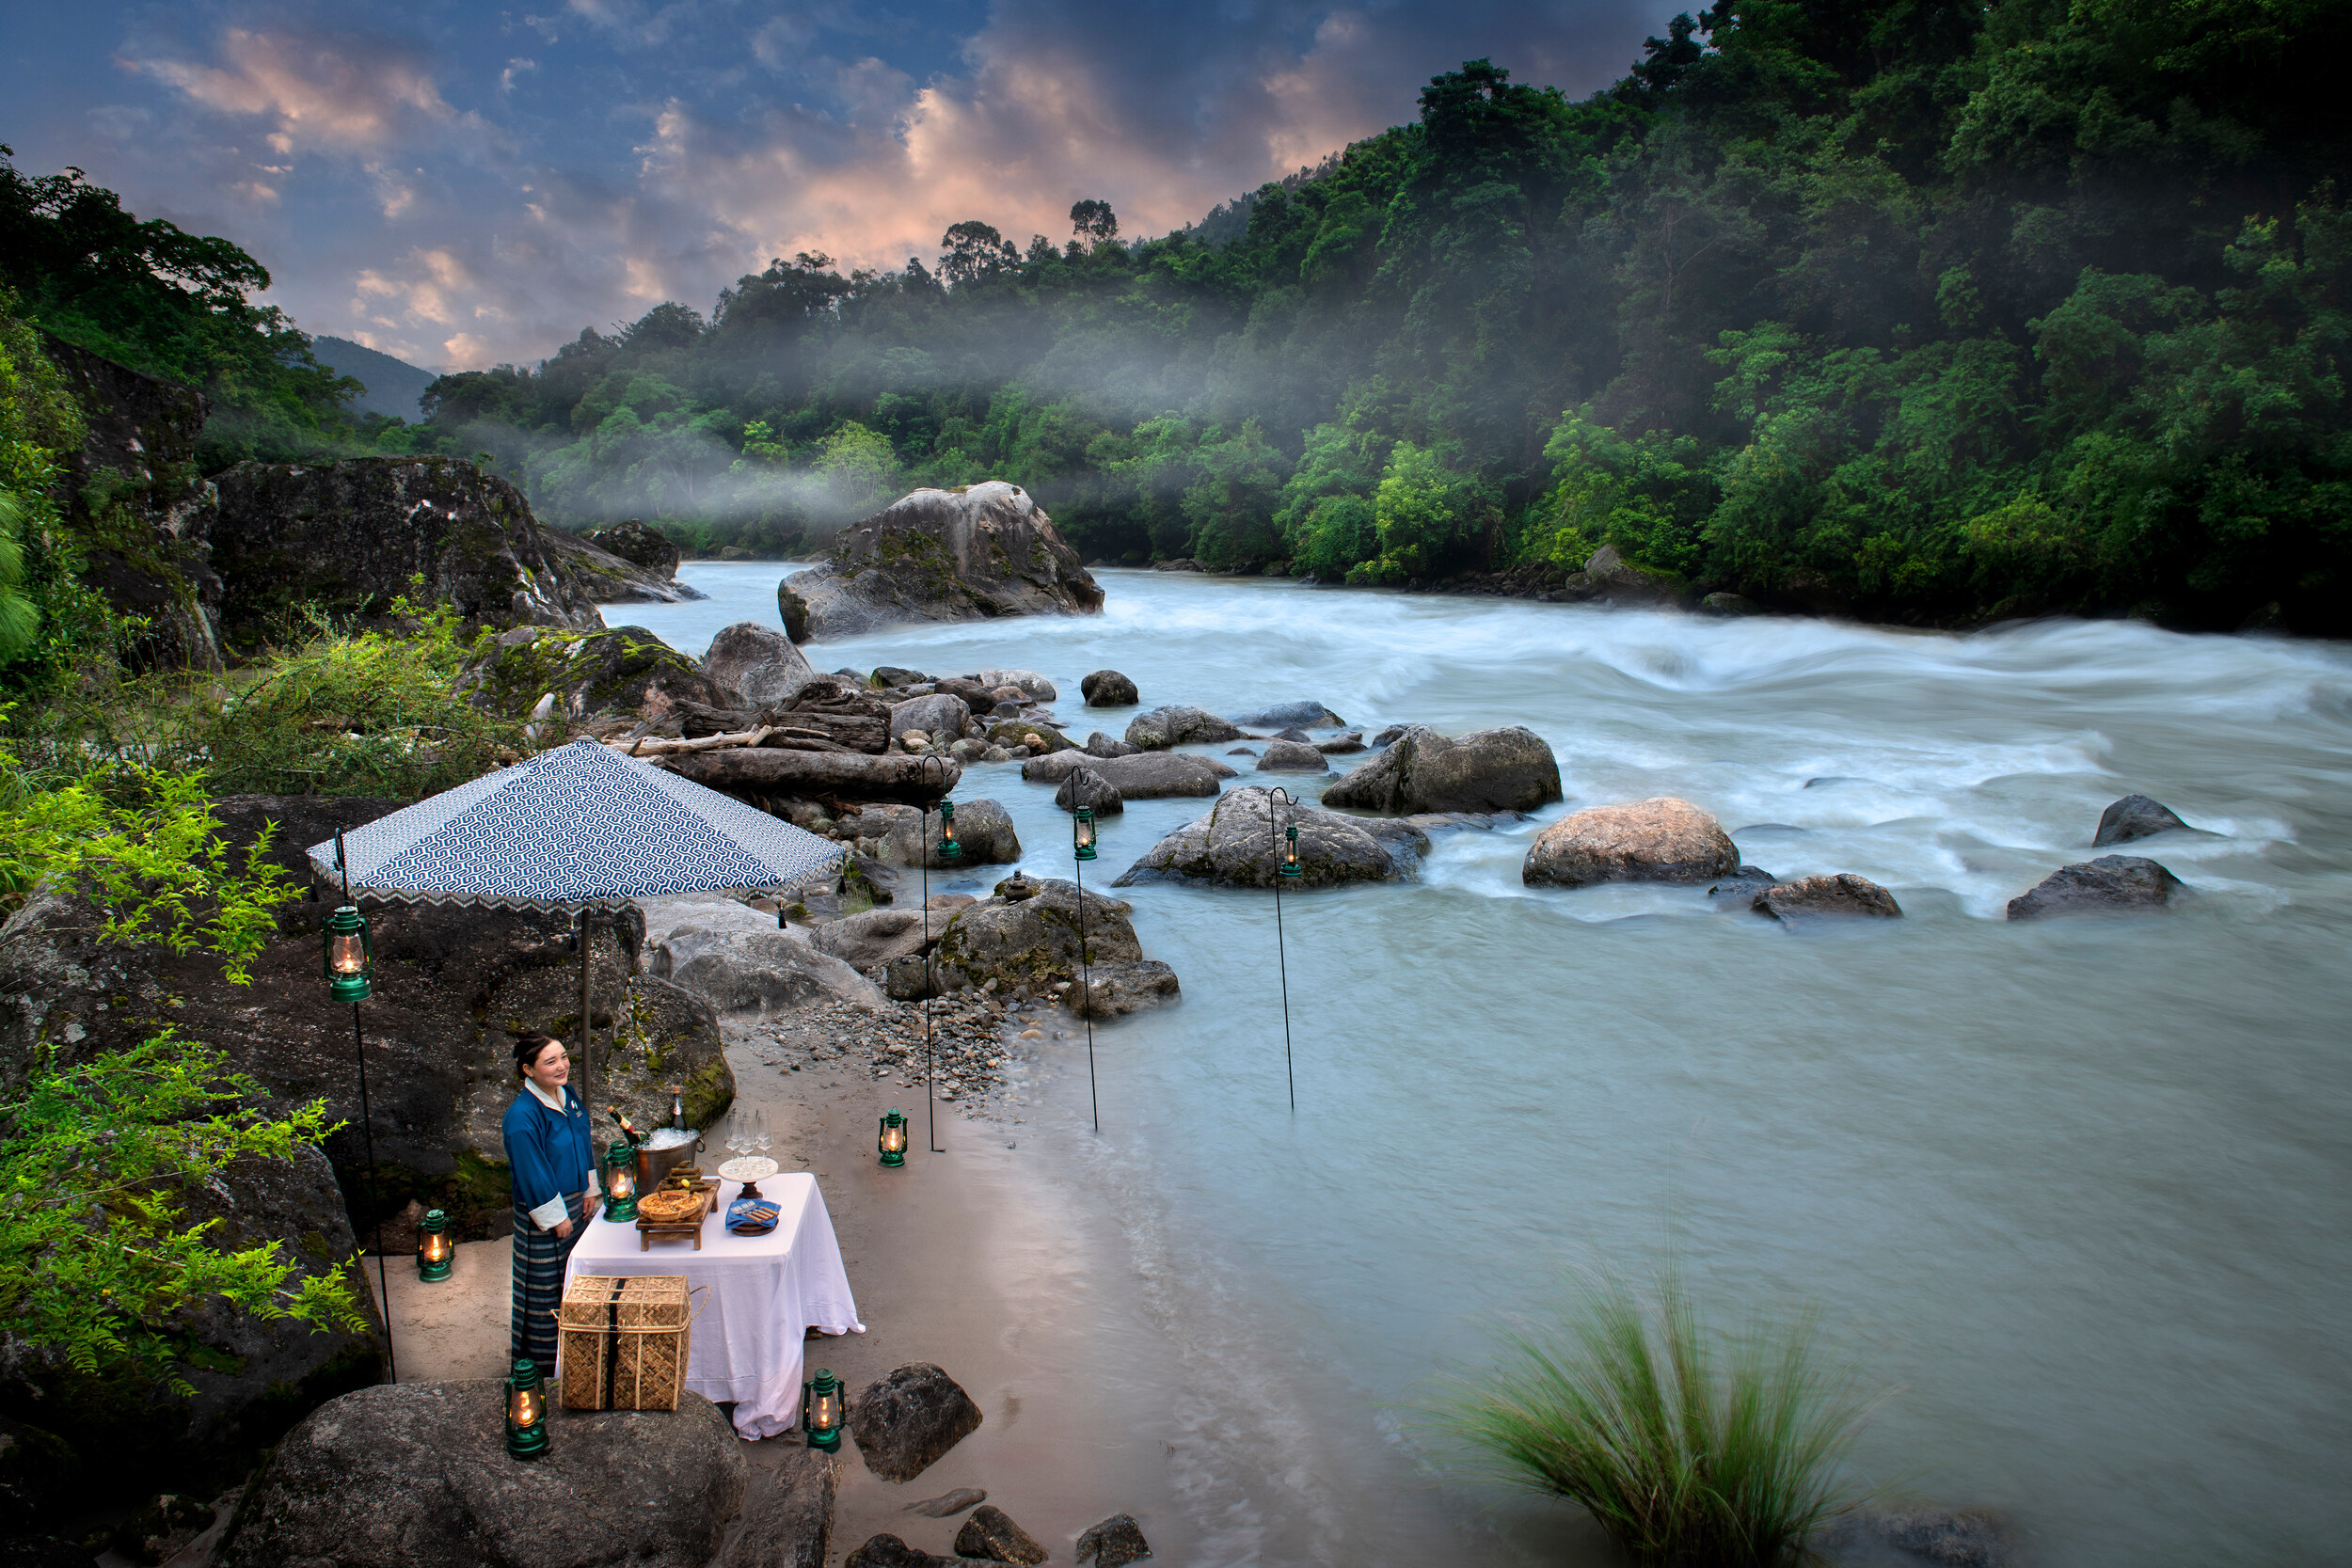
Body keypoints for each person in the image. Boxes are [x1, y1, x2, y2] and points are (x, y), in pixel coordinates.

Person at [502, 1031, 599, 1383]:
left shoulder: (567, 1095)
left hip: (577, 1203)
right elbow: (532, 1170)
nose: (562, 1066)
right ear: (528, 1070)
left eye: (563, 1057)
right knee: (545, 1290)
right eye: (550, 1061)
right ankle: (541, 1369)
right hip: (544, 1212)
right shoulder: (522, 1116)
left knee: (575, 1279)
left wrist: (590, 1189)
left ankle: (578, 1352)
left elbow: (583, 1140)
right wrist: (556, 1218)